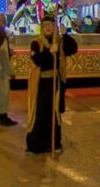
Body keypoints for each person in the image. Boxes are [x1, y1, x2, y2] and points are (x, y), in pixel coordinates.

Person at [26, 16, 78, 154]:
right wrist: (50, 53)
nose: (48, 28)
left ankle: (54, 143)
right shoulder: (36, 43)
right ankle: (36, 145)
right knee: (41, 113)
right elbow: (38, 61)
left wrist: (65, 34)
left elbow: (73, 49)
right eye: (45, 25)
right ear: (42, 28)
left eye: (51, 25)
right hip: (41, 84)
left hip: (56, 83)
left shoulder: (59, 41)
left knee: (54, 113)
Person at [0, 14, 18, 127]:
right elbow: (3, 54)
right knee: (0, 95)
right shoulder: (0, 34)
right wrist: (10, 71)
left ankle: (2, 116)